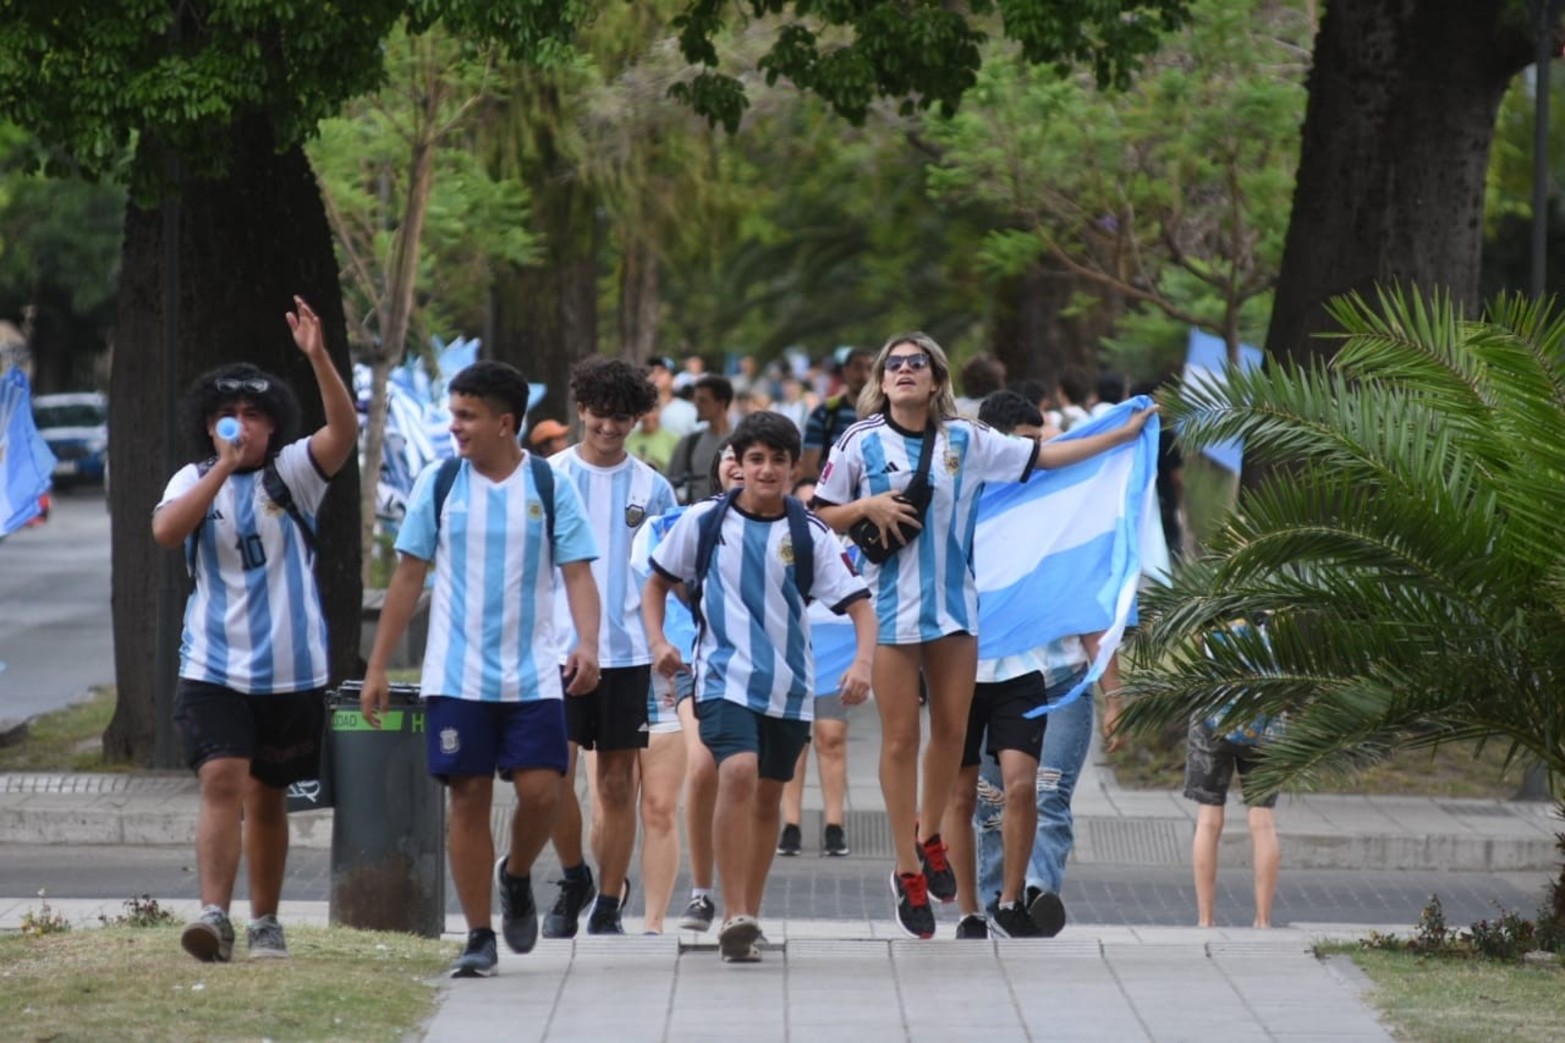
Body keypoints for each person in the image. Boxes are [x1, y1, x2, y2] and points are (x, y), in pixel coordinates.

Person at [811, 332, 1156, 938]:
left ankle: (929, 834)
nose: (905, 371)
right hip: (890, 610)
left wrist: (1120, 437)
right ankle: (907, 866)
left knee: (949, 733)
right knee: (899, 741)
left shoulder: (966, 440)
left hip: (955, 612)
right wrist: (868, 509)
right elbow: (820, 513)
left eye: (918, 363)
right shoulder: (859, 442)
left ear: (938, 378)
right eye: (895, 365)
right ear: (882, 380)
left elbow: (1043, 459)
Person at [361, 359, 602, 978]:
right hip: (457, 676)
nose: (455, 428)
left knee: (543, 792)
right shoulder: (440, 483)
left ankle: (516, 874)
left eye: (466, 417)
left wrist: (589, 645)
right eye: (452, 415)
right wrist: (378, 666)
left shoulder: (549, 486)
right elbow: (407, 577)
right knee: (467, 797)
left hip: (532, 675)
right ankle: (477, 935)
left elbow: (578, 573)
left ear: (504, 422)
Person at [151, 296, 357, 963]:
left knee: (268, 797)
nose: (239, 427)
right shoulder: (192, 478)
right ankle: (214, 915)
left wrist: (317, 355)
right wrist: (218, 467)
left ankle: (266, 919)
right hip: (212, 663)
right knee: (222, 778)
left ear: (275, 427)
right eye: (226, 416)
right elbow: (165, 530)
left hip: (291, 667)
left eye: (253, 416)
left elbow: (345, 431)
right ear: (207, 425)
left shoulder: (292, 472)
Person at [644, 412, 876, 962]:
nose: (766, 470)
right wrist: (658, 643)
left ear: (796, 467)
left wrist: (863, 663)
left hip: (791, 686)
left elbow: (860, 606)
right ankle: (732, 913)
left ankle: (749, 909)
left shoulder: (810, 533)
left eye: (778, 460)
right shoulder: (703, 523)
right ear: (737, 466)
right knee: (737, 770)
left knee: (769, 796)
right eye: (755, 459)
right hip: (723, 678)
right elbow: (656, 584)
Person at [949, 389, 1092, 940]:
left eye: (1041, 445)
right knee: (971, 800)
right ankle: (971, 910)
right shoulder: (958, 496)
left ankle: (1019, 897)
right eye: (1028, 446)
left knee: (1028, 789)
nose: (1038, 457)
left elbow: (1081, 593)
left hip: (1033, 675)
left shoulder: (1048, 510)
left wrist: (1128, 433)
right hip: (959, 670)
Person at [542, 357, 677, 938]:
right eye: (600, 415)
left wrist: (667, 641)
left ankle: (608, 902)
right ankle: (574, 876)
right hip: (556, 652)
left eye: (622, 418)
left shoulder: (653, 486)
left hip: (628, 656)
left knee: (618, 783)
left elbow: (669, 572)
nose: (609, 427)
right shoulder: (546, 477)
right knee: (552, 777)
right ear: (581, 411)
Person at [1186, 617, 1281, 929]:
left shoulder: (1214, 603)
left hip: (1213, 715)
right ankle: (1263, 920)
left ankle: (1205, 919)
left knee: (1208, 819)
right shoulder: (1279, 603)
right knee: (1262, 821)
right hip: (1265, 721)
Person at [777, 477, 852, 859]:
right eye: (802, 506)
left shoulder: (848, 547)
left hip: (835, 651)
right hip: (792, 647)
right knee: (794, 740)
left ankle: (834, 824)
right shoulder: (781, 542)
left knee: (830, 735)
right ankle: (790, 823)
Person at [799, 346, 871, 480]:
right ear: (845, 371)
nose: (864, 375)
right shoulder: (825, 413)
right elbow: (809, 468)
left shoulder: (889, 412)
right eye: (857, 368)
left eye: (870, 369)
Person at [667, 374, 734, 504]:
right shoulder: (690, 443)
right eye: (695, 400)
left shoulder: (741, 443)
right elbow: (670, 482)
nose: (697, 405)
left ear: (721, 403)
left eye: (703, 400)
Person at [649, 356, 698, 438]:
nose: (655, 375)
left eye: (661, 371)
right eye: (651, 371)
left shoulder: (688, 410)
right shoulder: (637, 410)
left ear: (673, 378)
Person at [626, 404, 679, 474]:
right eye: (644, 413)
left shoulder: (673, 440)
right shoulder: (628, 440)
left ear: (659, 412)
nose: (648, 416)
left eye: (652, 411)